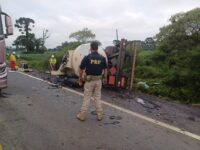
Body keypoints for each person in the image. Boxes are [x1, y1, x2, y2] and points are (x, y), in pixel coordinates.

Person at [77, 41, 108, 121]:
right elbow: (105, 69)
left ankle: (82, 115)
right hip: (98, 81)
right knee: (97, 97)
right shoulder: (102, 58)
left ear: (90, 48)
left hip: (89, 81)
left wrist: (80, 78)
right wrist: (105, 78)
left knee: (87, 97)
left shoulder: (87, 57)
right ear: (97, 48)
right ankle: (99, 115)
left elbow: (81, 69)